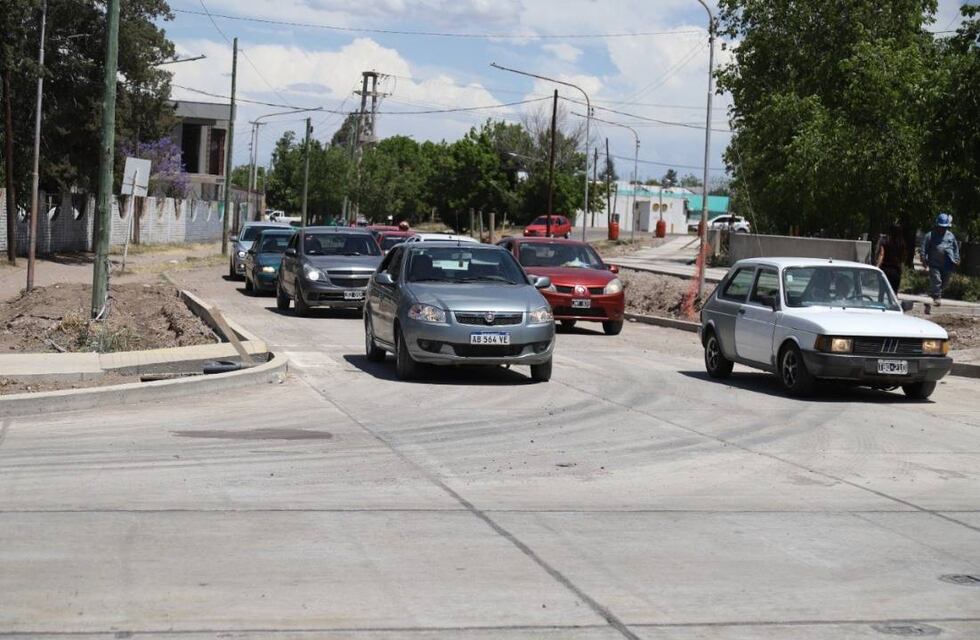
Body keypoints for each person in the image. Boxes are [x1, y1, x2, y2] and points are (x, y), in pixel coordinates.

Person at [919, 213, 960, 305]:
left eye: (944, 227)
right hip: (934, 264)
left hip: (948, 264)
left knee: (945, 283)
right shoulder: (930, 235)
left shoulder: (951, 236)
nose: (942, 229)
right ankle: (937, 297)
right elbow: (923, 248)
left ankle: (935, 292)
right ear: (937, 225)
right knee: (937, 280)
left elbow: (955, 248)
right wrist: (923, 259)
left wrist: (957, 259)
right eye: (941, 227)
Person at [876, 223, 906, 293]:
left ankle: (880, 302)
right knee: (894, 292)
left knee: (882, 291)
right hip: (895, 270)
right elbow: (902, 258)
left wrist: (877, 266)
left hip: (885, 269)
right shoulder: (901, 243)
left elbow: (881, 254)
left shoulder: (885, 241)